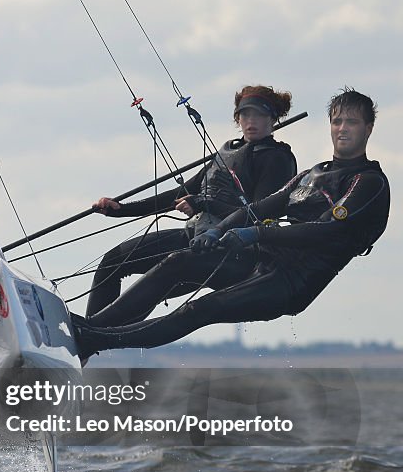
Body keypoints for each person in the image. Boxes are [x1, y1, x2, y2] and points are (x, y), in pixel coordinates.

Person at [75, 87, 390, 358]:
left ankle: (92, 337)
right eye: (337, 121)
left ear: (369, 128)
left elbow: (324, 232)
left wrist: (251, 234)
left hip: (291, 283)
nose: (343, 128)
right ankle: (90, 333)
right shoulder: (311, 173)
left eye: (352, 122)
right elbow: (256, 208)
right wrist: (217, 230)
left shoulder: (368, 182)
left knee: (199, 310)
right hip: (264, 262)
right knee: (174, 262)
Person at [86, 85, 297, 323]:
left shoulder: (277, 159)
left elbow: (259, 218)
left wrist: (203, 203)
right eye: (245, 114)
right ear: (237, 118)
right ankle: (86, 339)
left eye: (260, 115)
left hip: (233, 253)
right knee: (113, 261)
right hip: (196, 236)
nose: (251, 120)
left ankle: (95, 332)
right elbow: (180, 194)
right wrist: (122, 209)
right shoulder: (228, 151)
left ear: (273, 119)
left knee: (164, 276)